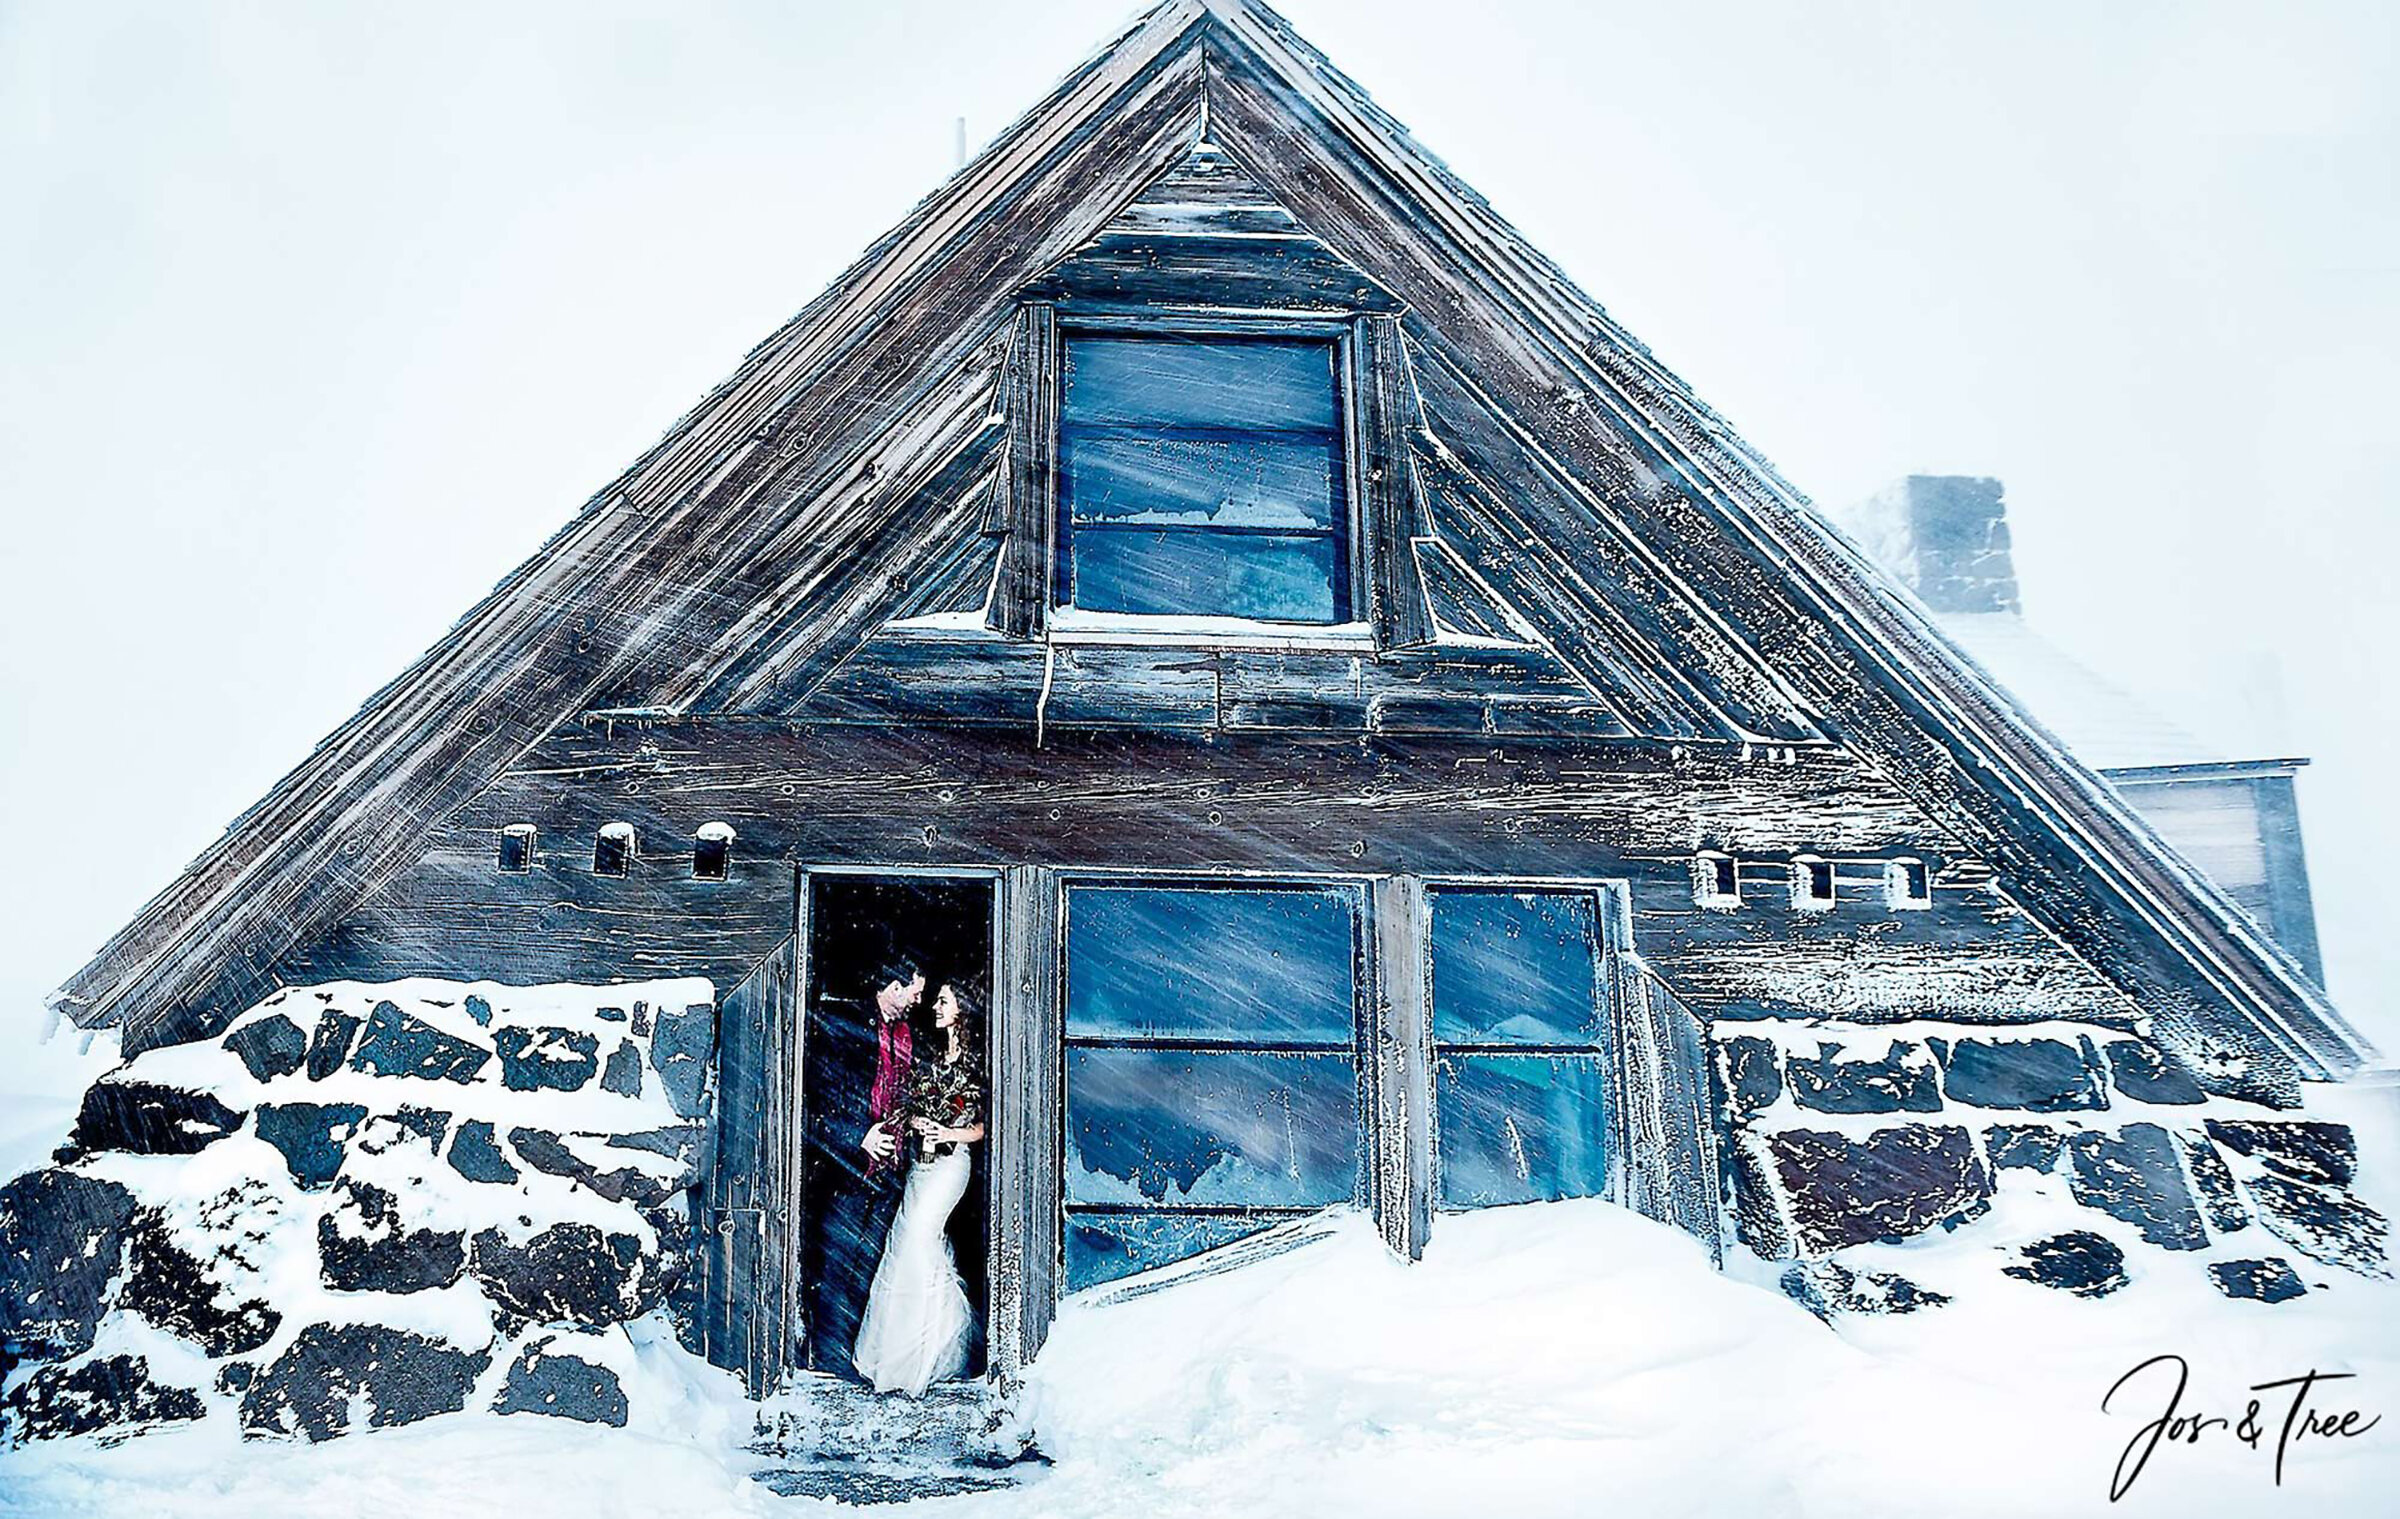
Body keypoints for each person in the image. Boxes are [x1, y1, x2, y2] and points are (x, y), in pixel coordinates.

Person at [851, 977, 987, 1396]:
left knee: (919, 1241)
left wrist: (947, 1130)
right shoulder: (930, 1057)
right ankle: (901, 1353)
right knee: (906, 1247)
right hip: (921, 1166)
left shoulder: (976, 1062)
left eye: (942, 1001)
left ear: (961, 1010)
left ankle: (938, 1346)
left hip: (951, 1167)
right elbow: (906, 1108)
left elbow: (982, 1129)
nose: (933, 1007)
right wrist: (918, 1124)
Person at [807, 953, 925, 1372]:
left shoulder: (910, 1034)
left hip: (889, 1169)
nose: (918, 1000)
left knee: (869, 1265)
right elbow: (818, 1096)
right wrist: (858, 1133)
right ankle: (827, 1356)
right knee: (837, 1262)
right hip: (847, 1165)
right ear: (894, 986)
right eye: (915, 991)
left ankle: (853, 1354)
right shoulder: (846, 1025)